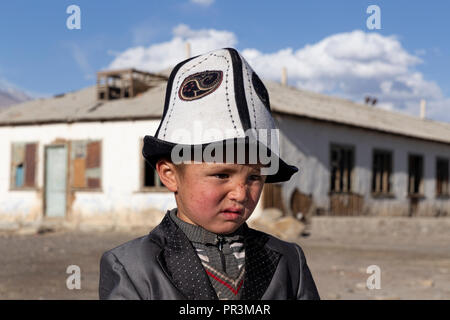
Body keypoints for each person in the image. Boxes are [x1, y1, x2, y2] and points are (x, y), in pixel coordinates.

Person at [99, 48, 320, 300]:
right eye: (221, 175)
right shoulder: (132, 267)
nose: (240, 194)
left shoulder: (289, 261)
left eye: (254, 177)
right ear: (170, 174)